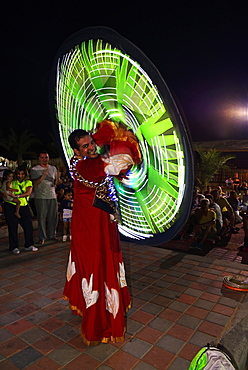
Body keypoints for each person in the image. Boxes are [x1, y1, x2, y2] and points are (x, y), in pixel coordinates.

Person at [63, 121, 140, 345]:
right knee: (94, 266)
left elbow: (106, 169)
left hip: (103, 221)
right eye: (85, 147)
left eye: (91, 144)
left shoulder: (90, 160)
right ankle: (97, 321)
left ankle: (99, 307)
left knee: (105, 262)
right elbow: (101, 168)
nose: (91, 148)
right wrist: (122, 147)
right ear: (76, 151)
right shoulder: (81, 166)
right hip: (90, 227)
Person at [2, 166, 38, 254]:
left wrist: (17, 196)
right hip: (10, 205)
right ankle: (13, 246)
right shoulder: (12, 181)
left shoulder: (28, 182)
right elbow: (5, 190)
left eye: (22, 174)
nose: (20, 176)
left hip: (23, 205)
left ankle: (29, 245)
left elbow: (28, 192)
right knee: (12, 226)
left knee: (28, 226)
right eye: (18, 174)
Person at [31, 151, 59, 244]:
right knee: (42, 217)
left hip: (52, 195)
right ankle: (42, 237)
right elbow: (35, 183)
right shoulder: (35, 169)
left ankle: (52, 235)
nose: (44, 159)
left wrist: (57, 181)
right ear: (39, 158)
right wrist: (43, 175)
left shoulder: (53, 168)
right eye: (42, 158)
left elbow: (55, 182)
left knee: (53, 216)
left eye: (46, 157)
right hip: (40, 196)